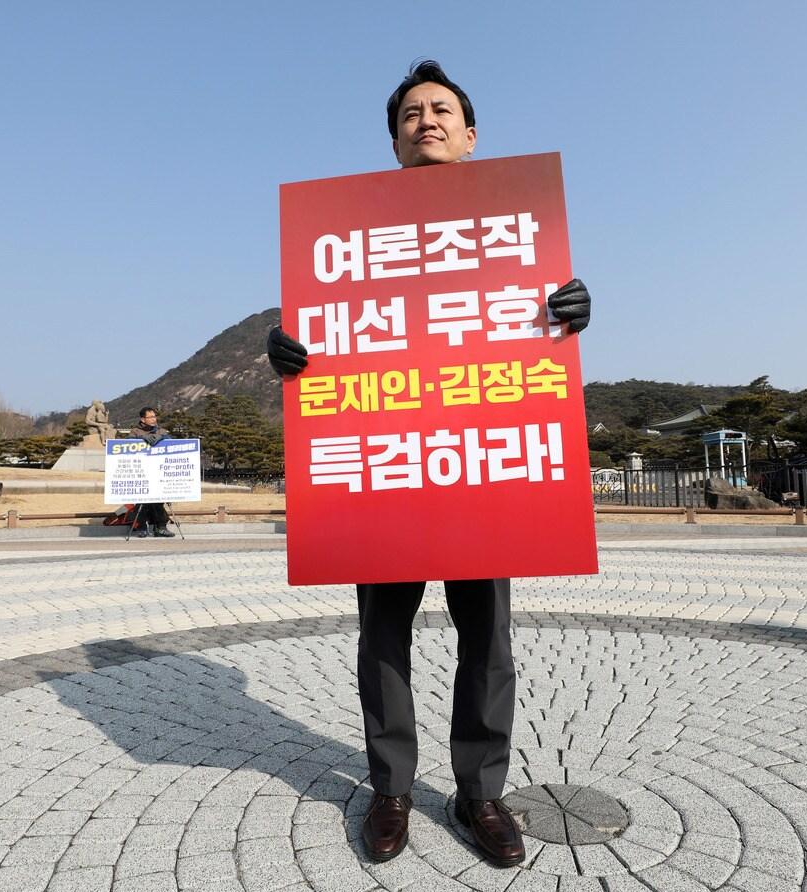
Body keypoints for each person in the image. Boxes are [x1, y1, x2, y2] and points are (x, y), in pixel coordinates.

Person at [267, 61, 592, 867]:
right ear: (393, 138)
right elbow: (339, 343)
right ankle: (391, 788)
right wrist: (294, 357)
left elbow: (523, 334)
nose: (427, 120)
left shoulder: (513, 226)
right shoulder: (350, 237)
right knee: (383, 635)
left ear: (471, 134)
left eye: (441, 109)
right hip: (386, 472)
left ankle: (479, 792)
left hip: (478, 471)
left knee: (488, 639)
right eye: (411, 112)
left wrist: (568, 312)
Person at [130, 406, 175, 538]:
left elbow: (172, 444)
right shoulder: (135, 432)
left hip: (158, 472)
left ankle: (160, 527)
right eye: (150, 417)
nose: (154, 419)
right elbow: (125, 445)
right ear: (143, 419)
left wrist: (161, 437)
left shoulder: (162, 431)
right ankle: (141, 527)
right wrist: (142, 439)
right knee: (141, 501)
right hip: (141, 472)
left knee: (158, 500)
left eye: (154, 416)